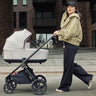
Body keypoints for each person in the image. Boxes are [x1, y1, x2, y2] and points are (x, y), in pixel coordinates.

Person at [53, 1, 94, 92]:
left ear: (75, 9)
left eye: (71, 7)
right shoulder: (67, 17)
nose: (69, 8)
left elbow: (70, 32)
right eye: (68, 7)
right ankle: (88, 78)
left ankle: (65, 87)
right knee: (69, 65)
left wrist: (58, 32)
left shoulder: (74, 19)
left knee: (68, 66)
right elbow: (65, 29)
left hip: (72, 43)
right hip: (68, 43)